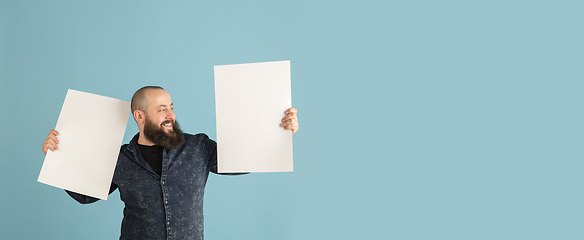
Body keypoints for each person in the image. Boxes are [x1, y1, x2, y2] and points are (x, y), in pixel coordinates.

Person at [41, 86, 299, 240]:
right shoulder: (119, 158)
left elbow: (242, 160)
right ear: (139, 116)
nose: (171, 115)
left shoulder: (197, 147)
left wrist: (279, 132)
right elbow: (84, 195)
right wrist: (58, 156)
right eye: (162, 109)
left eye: (172, 107)